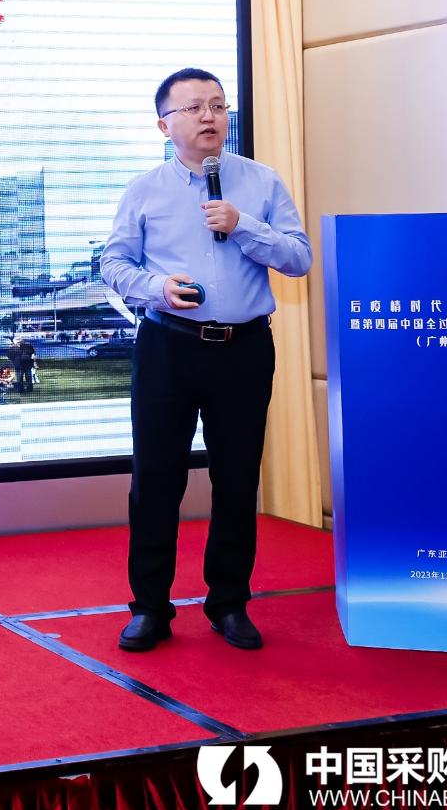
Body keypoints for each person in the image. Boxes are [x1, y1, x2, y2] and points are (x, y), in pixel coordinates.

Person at [99, 67, 311, 653]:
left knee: (237, 479)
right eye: (193, 107)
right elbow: (114, 264)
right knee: (156, 480)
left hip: (244, 349)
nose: (209, 116)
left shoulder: (261, 182)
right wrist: (157, 289)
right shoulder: (144, 189)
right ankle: (150, 607)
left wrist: (244, 226)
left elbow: (298, 259)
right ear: (164, 124)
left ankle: (229, 603)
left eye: (217, 105)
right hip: (167, 346)